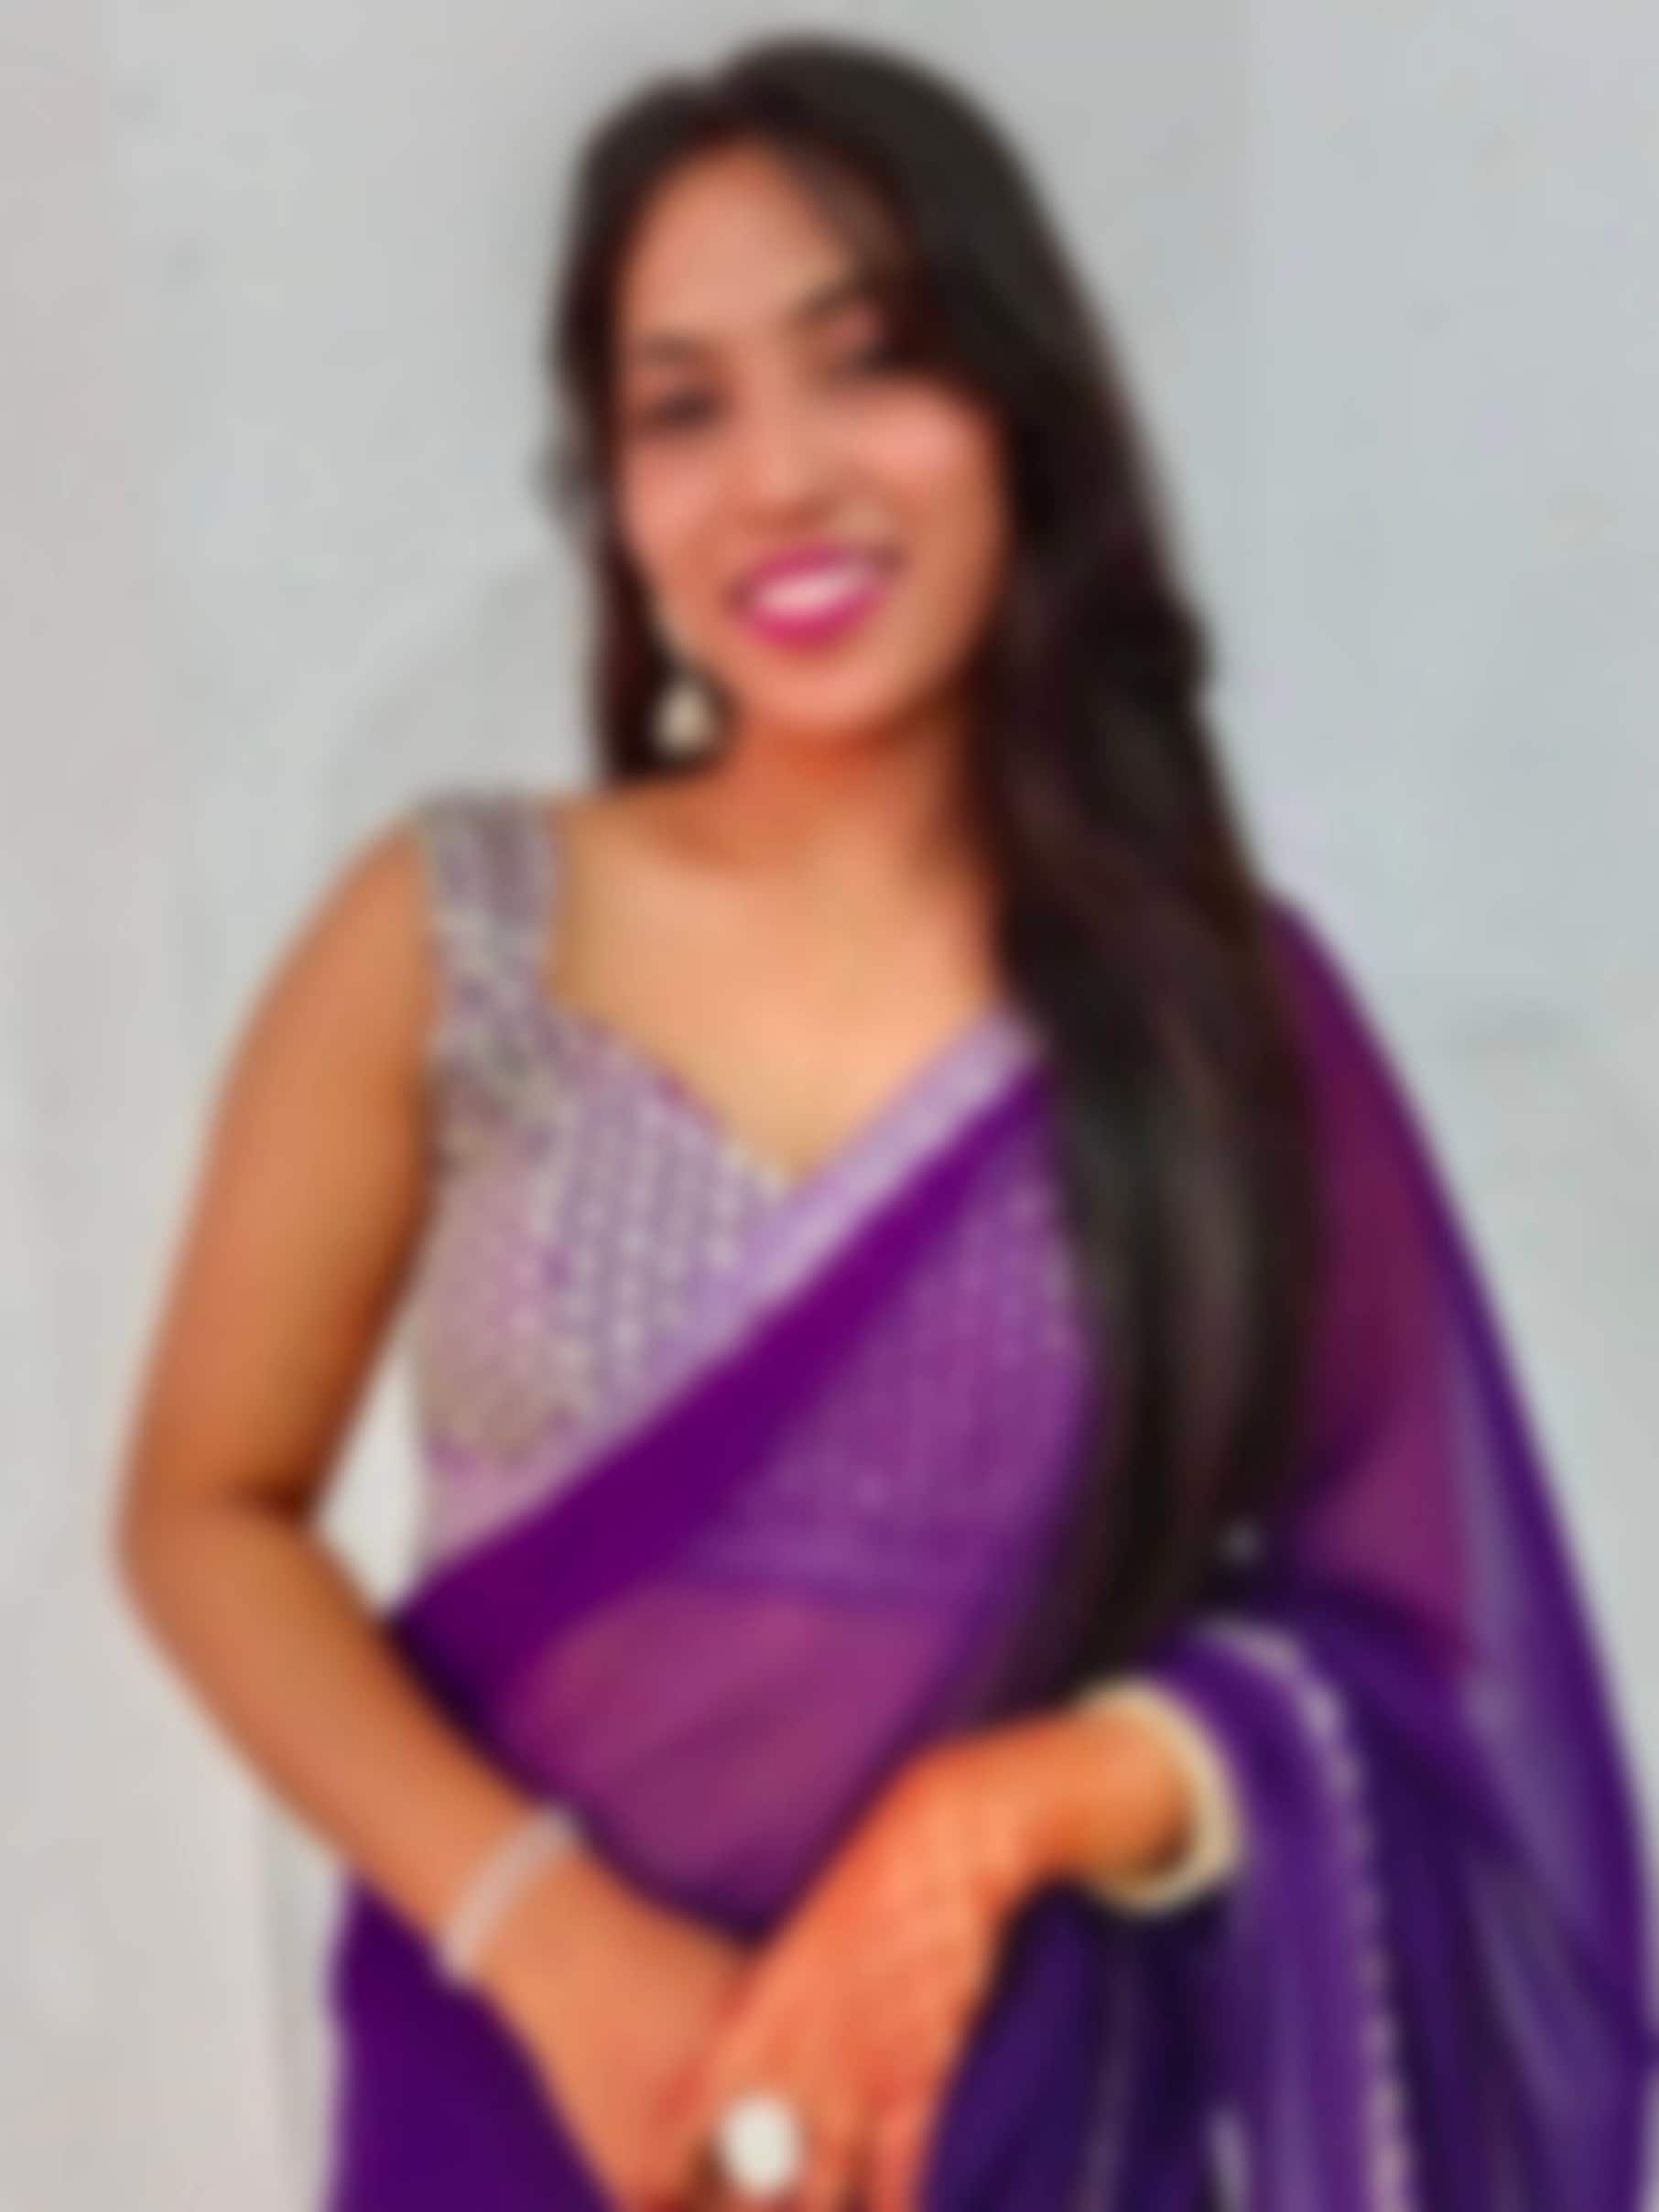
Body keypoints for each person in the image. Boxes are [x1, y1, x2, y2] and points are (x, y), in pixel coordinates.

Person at [113, 31, 1656, 2211]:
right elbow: (205, 1508)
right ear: (616, 495)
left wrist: (1004, 1810)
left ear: (1019, 410)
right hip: (522, 2113)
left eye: (871, 362)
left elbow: (1446, 1675)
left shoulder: (1216, 1018)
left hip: (1026, 2132)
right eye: (682, 407)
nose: (780, 475)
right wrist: (545, 1934)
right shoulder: (454, 931)